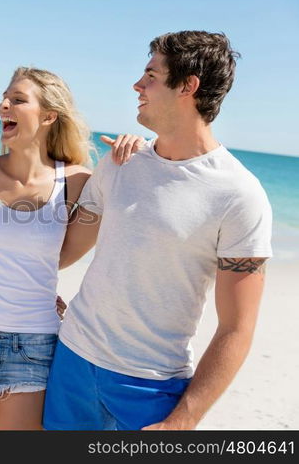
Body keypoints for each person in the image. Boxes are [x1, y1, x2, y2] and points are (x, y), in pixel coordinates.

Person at [42, 31, 273, 430]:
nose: (137, 84)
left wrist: (183, 420)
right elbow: (61, 253)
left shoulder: (239, 194)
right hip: (71, 363)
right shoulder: (119, 163)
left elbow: (237, 328)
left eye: (151, 75)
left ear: (188, 86)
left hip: (149, 390)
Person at [0, 67, 94, 430]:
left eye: (18, 100)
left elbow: (66, 255)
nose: (4, 105)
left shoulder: (77, 182)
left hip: (34, 345)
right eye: (5, 98)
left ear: (49, 115)